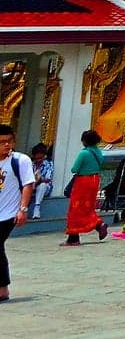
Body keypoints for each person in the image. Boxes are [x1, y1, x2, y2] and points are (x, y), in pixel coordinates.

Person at [0, 123, 33, 302]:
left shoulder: (20, 160)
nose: (7, 145)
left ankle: (3, 289)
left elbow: (28, 184)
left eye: (9, 141)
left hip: (9, 213)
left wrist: (23, 208)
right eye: (2, 142)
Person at [63, 128, 110, 245]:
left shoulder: (84, 153)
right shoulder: (98, 152)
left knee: (75, 209)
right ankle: (98, 224)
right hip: (94, 181)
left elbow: (74, 169)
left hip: (83, 181)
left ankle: (73, 237)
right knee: (88, 208)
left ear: (84, 141)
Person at [28, 143, 53, 220]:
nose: (38, 160)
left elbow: (48, 178)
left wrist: (39, 179)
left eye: (40, 158)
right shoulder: (31, 164)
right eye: (36, 158)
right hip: (32, 186)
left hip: (44, 186)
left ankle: (36, 208)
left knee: (42, 185)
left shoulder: (48, 164)